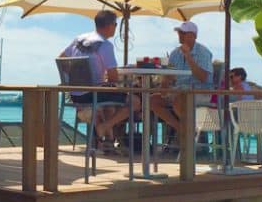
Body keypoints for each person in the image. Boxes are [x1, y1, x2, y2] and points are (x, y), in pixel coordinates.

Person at [60, 10, 139, 149]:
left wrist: (77, 76)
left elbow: (61, 59)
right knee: (135, 101)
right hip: (92, 94)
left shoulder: (78, 39)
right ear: (109, 25)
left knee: (110, 101)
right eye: (115, 24)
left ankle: (107, 142)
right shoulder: (105, 45)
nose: (115, 27)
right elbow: (114, 78)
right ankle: (104, 127)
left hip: (75, 95)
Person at [150, 20, 213, 131]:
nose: (180, 35)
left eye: (183, 33)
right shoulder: (175, 53)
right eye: (179, 33)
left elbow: (203, 78)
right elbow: (169, 75)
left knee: (179, 100)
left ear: (193, 36)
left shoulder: (203, 52)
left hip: (200, 91)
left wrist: (188, 56)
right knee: (153, 100)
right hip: (179, 90)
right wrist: (164, 83)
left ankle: (188, 133)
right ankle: (181, 129)